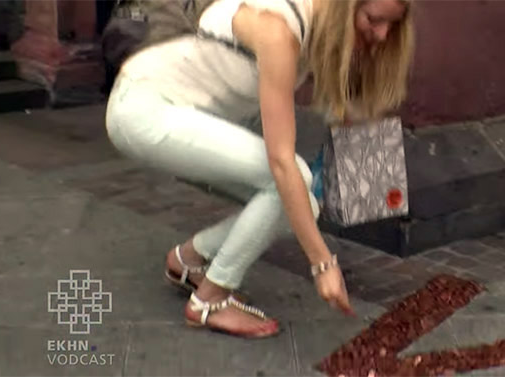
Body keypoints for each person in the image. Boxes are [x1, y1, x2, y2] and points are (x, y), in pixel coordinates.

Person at [105, 0, 414, 338]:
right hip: (145, 110)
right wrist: (323, 264)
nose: (383, 35)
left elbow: (349, 105)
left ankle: (190, 260)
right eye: (373, 19)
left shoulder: (314, 25)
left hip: (189, 114)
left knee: (303, 202)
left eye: (392, 25)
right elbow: (280, 163)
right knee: (289, 178)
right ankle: (209, 300)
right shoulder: (278, 31)